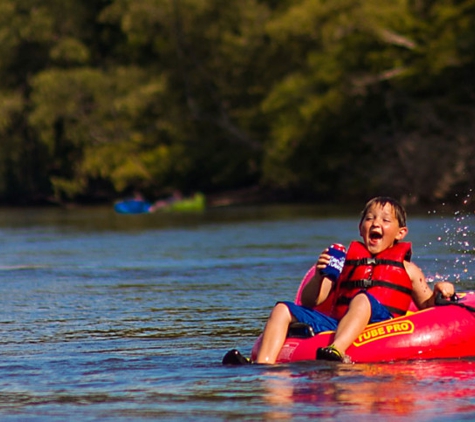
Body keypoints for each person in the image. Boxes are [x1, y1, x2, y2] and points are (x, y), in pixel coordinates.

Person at [253, 196, 455, 364]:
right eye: (369, 219)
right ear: (360, 228)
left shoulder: (408, 269)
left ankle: (336, 350)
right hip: (338, 323)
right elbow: (310, 302)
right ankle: (263, 364)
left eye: (385, 220)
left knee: (362, 299)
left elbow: (428, 306)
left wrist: (441, 290)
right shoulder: (343, 263)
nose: (376, 223)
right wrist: (318, 276)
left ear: (400, 233)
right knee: (282, 308)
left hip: (384, 325)